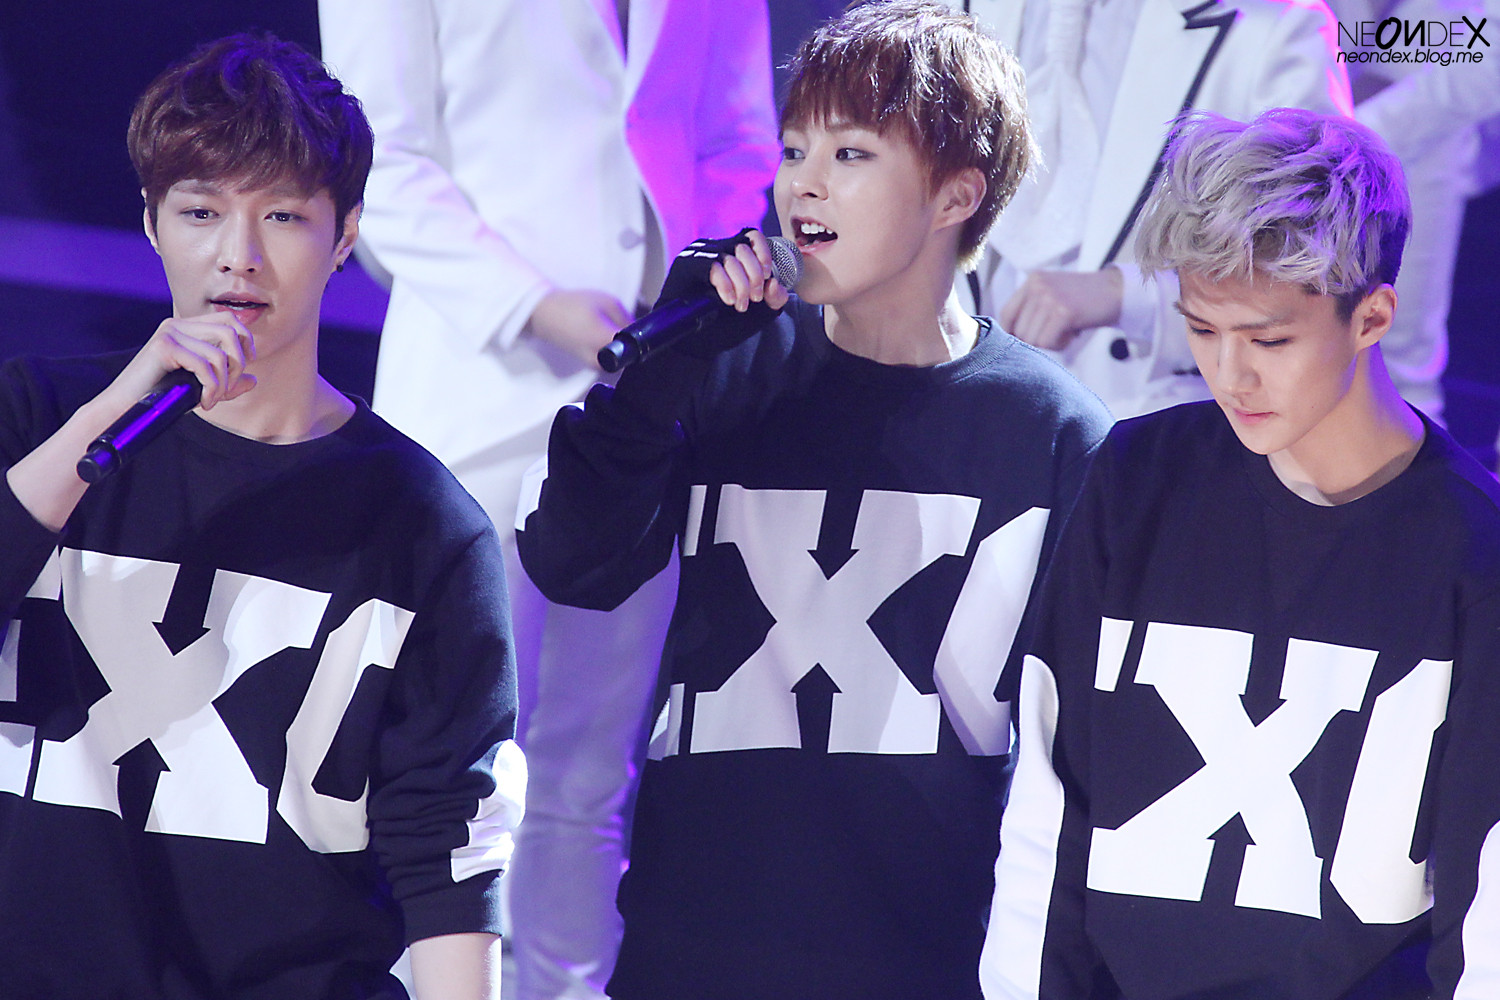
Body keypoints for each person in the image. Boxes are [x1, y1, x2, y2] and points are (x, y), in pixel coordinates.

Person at [517, 3, 1111, 997]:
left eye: (852, 153)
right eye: (794, 149)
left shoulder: (1052, 433)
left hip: (918, 964)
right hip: (685, 955)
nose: (804, 182)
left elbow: (1078, 761)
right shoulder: (725, 366)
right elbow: (575, 564)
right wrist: (661, 374)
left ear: (956, 193)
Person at [0, 35, 522, 1000]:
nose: (237, 256)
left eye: (282, 215)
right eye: (201, 212)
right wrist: (109, 417)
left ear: (346, 234)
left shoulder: (421, 523)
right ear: (153, 224)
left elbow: (446, 843)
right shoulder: (36, 422)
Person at [984, 107, 1500, 999]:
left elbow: (1484, 905)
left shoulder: (1472, 552)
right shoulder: (1136, 480)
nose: (1230, 375)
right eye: (1201, 329)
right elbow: (1048, 806)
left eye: (1268, 339)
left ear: (1372, 316)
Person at [314, 8, 779, 997]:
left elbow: (738, 139)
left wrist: (692, 303)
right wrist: (537, 304)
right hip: (474, 387)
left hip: (645, 401)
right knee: (438, 763)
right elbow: (378, 157)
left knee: (589, 773)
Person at [954, 0, 1352, 419]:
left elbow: (1322, 266)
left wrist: (1126, 295)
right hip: (958, 409)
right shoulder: (943, 10)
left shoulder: (1277, 23)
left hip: (1145, 420)